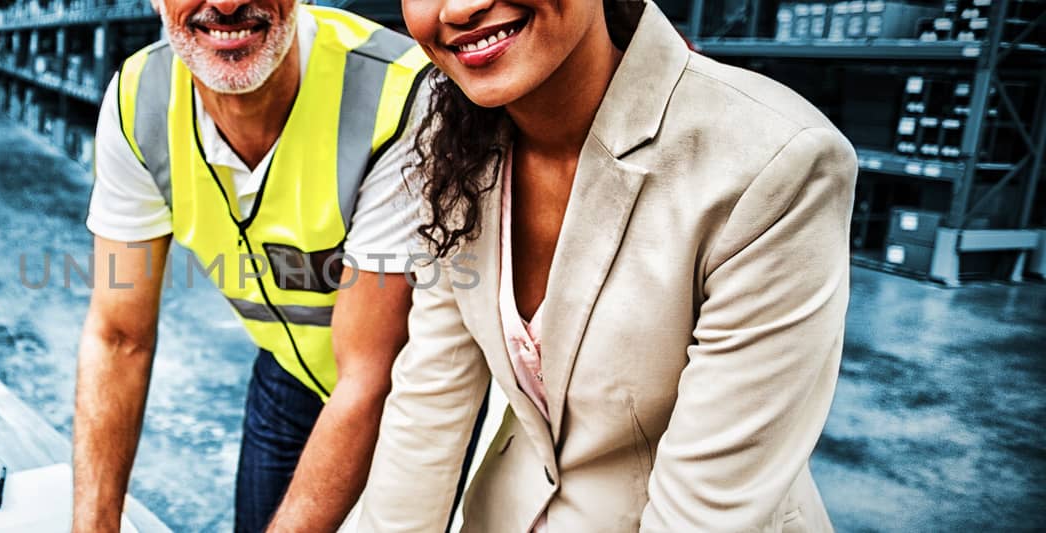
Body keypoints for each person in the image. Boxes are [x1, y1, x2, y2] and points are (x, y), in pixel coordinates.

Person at [358, 0, 855, 530]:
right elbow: (428, 406)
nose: (460, 7)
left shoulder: (773, 160)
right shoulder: (454, 150)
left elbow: (705, 513)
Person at [71, 0, 433, 529]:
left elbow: (367, 376)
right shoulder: (138, 101)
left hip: (407, 385)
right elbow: (118, 337)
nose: (225, 3)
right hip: (286, 371)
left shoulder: (396, 92)